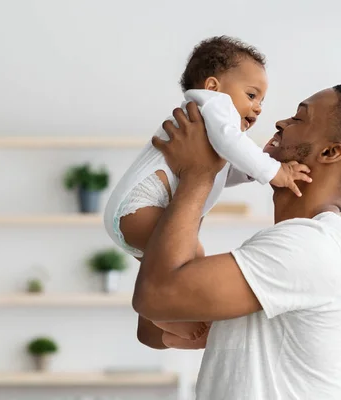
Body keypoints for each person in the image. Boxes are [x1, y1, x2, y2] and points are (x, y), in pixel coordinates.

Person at [132, 84, 341, 400]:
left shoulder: (313, 247)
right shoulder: (289, 247)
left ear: (329, 152)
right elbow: (155, 328)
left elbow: (157, 296)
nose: (280, 123)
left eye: (300, 118)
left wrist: (199, 174)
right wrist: (203, 178)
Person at [103, 36, 310, 340]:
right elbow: (230, 143)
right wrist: (274, 172)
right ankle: (173, 319)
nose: (258, 108)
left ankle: (162, 328)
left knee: (160, 272)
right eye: (252, 95)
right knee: (190, 262)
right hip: (140, 207)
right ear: (213, 86)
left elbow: (221, 172)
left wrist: (252, 171)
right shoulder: (212, 106)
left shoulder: (212, 127)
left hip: (134, 215)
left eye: (261, 101)